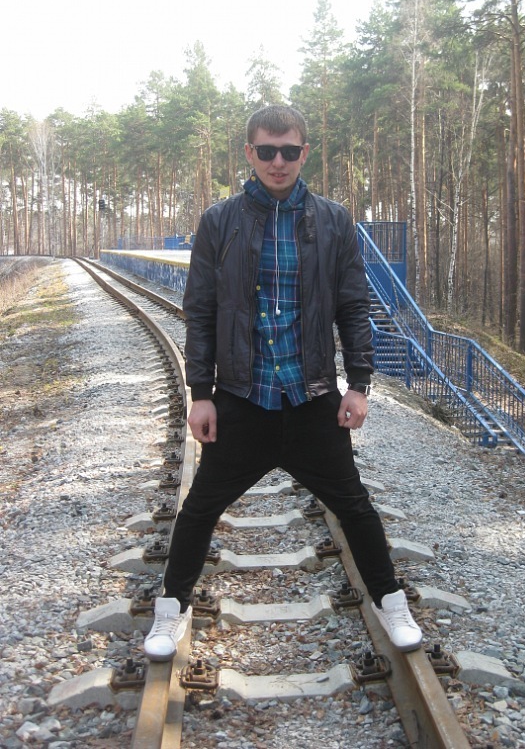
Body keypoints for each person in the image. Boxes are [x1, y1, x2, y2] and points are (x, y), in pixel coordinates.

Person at [144, 105, 422, 662]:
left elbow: (353, 306)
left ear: (304, 153)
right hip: (244, 397)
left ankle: (391, 602)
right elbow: (200, 313)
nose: (278, 161)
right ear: (250, 153)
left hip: (310, 396)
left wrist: (359, 384)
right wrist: (202, 394)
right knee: (199, 509)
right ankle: (170, 609)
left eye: (289, 151)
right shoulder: (219, 221)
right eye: (267, 151)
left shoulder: (333, 221)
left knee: (356, 506)